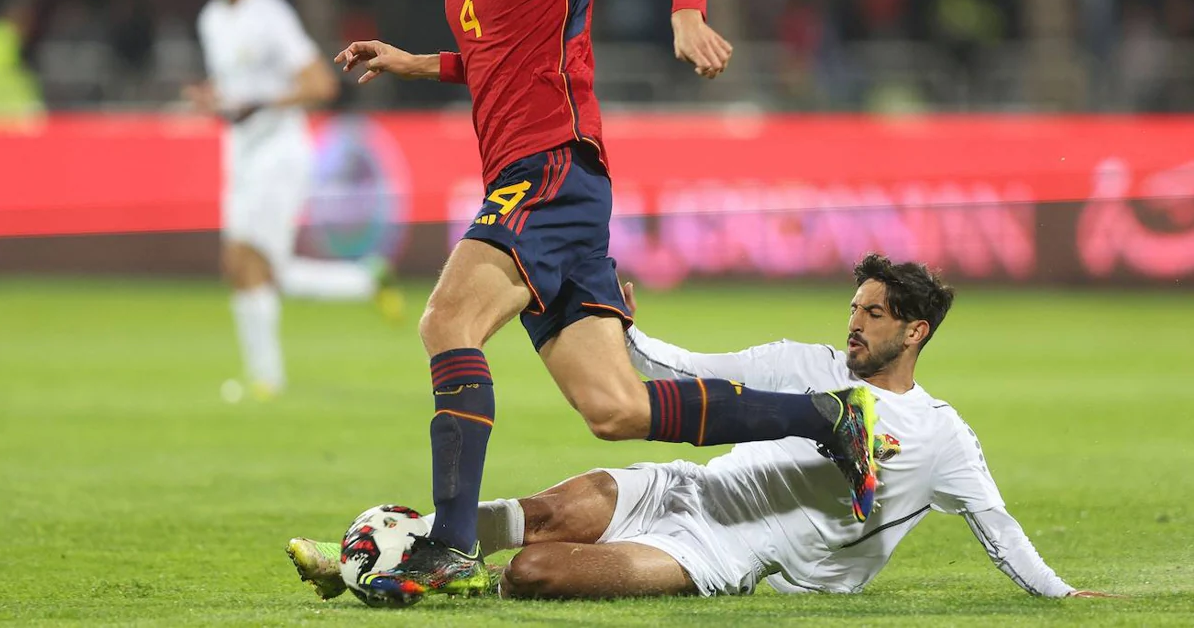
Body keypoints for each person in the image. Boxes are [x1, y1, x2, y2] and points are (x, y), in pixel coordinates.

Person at [332, 0, 880, 604]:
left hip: (550, 168)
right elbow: (492, 60)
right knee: (615, 408)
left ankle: (450, 545)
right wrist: (418, 64)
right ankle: (827, 419)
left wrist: (687, 16)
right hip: (551, 190)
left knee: (446, 322)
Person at [287, 254, 1115, 602]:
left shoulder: (940, 436)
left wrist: (1064, 592)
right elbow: (698, 370)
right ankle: (391, 556)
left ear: (916, 332)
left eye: (875, 314)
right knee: (550, 508)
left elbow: (996, 527)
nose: (856, 324)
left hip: (729, 547)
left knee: (538, 572)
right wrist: (628, 337)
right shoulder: (808, 362)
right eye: (854, 307)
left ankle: (403, 571)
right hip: (693, 486)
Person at [188, 0, 403, 400]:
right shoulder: (211, 20)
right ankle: (365, 279)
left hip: (278, 153)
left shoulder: (268, 13)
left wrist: (258, 104)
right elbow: (236, 87)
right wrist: (215, 99)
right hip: (241, 151)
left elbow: (321, 84)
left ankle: (266, 379)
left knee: (251, 262)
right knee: (259, 267)